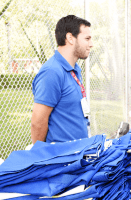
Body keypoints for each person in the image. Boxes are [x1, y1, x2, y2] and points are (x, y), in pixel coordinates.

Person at [31, 15, 94, 144]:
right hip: (62, 158)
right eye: (87, 38)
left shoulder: (74, 69)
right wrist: (42, 156)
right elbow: (37, 123)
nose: (91, 44)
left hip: (78, 154)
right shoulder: (52, 72)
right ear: (70, 38)